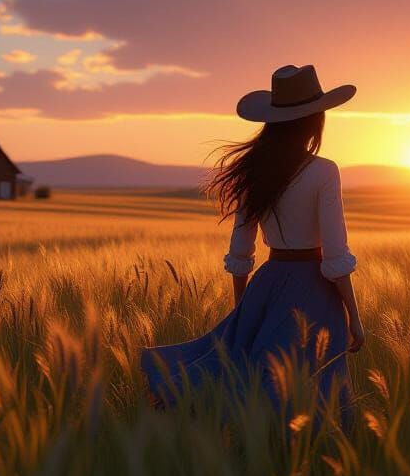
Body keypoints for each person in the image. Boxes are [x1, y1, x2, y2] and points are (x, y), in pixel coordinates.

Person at [140, 64, 365, 415]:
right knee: (317, 394)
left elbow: (241, 251)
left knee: (250, 378)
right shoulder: (324, 171)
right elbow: (335, 255)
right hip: (316, 293)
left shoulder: (256, 171)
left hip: (266, 285)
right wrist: (354, 315)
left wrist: (243, 309)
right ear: (315, 120)